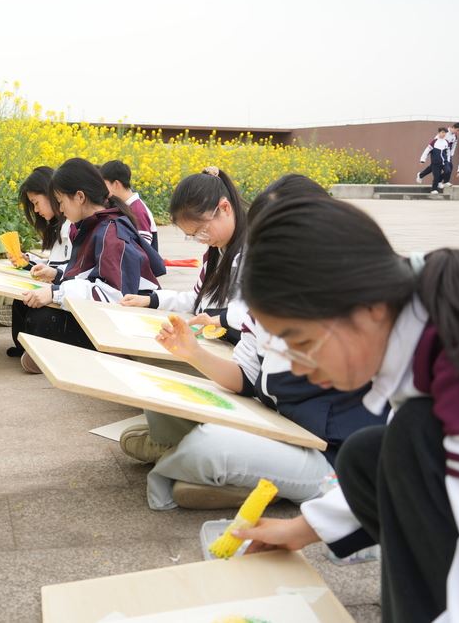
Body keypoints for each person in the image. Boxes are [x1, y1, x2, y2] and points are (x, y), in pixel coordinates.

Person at [231, 195, 459, 622]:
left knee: (408, 436)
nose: (298, 367)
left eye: (302, 344)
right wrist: (301, 529)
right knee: (371, 454)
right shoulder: (430, 311)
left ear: (368, 307)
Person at [124, 175, 386, 511]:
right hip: (274, 423)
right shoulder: (268, 287)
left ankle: (226, 473)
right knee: (161, 391)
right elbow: (246, 375)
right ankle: (231, 474)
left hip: (329, 455)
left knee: (210, 446)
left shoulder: (356, 301)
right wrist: (191, 353)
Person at [18, 158, 166, 374]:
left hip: (127, 322)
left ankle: (102, 352)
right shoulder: (93, 226)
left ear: (79, 197)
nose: (59, 208)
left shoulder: (111, 232)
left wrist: (56, 293)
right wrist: (58, 280)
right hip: (109, 314)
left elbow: (114, 295)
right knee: (33, 311)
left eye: (60, 201)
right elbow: (87, 277)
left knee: (43, 318)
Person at [118, 166, 248, 342]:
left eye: (201, 231)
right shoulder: (218, 250)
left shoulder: (253, 254)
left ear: (225, 208)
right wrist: (151, 300)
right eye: (193, 236)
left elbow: (253, 317)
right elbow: (197, 299)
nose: (201, 240)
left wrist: (217, 320)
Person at [4, 166, 76, 358]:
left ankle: (36, 352)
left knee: (40, 314)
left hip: (72, 293)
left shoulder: (72, 225)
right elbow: (57, 262)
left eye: (36, 203)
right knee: (22, 301)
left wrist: (52, 275)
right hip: (62, 286)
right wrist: (29, 262)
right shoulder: (59, 227)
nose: (36, 210)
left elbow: (72, 269)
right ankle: (24, 348)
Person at [100, 160, 159, 250]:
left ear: (116, 184)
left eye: (104, 185)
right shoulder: (125, 206)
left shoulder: (138, 210)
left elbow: (142, 248)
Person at [417, 127, 449, 194]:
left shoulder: (446, 142)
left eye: (445, 133)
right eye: (442, 132)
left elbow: (448, 151)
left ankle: (438, 181)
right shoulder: (434, 142)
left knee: (448, 171)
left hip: (444, 162)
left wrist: (448, 160)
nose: (444, 134)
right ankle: (434, 189)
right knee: (436, 176)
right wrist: (422, 160)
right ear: (439, 133)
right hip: (435, 163)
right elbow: (427, 151)